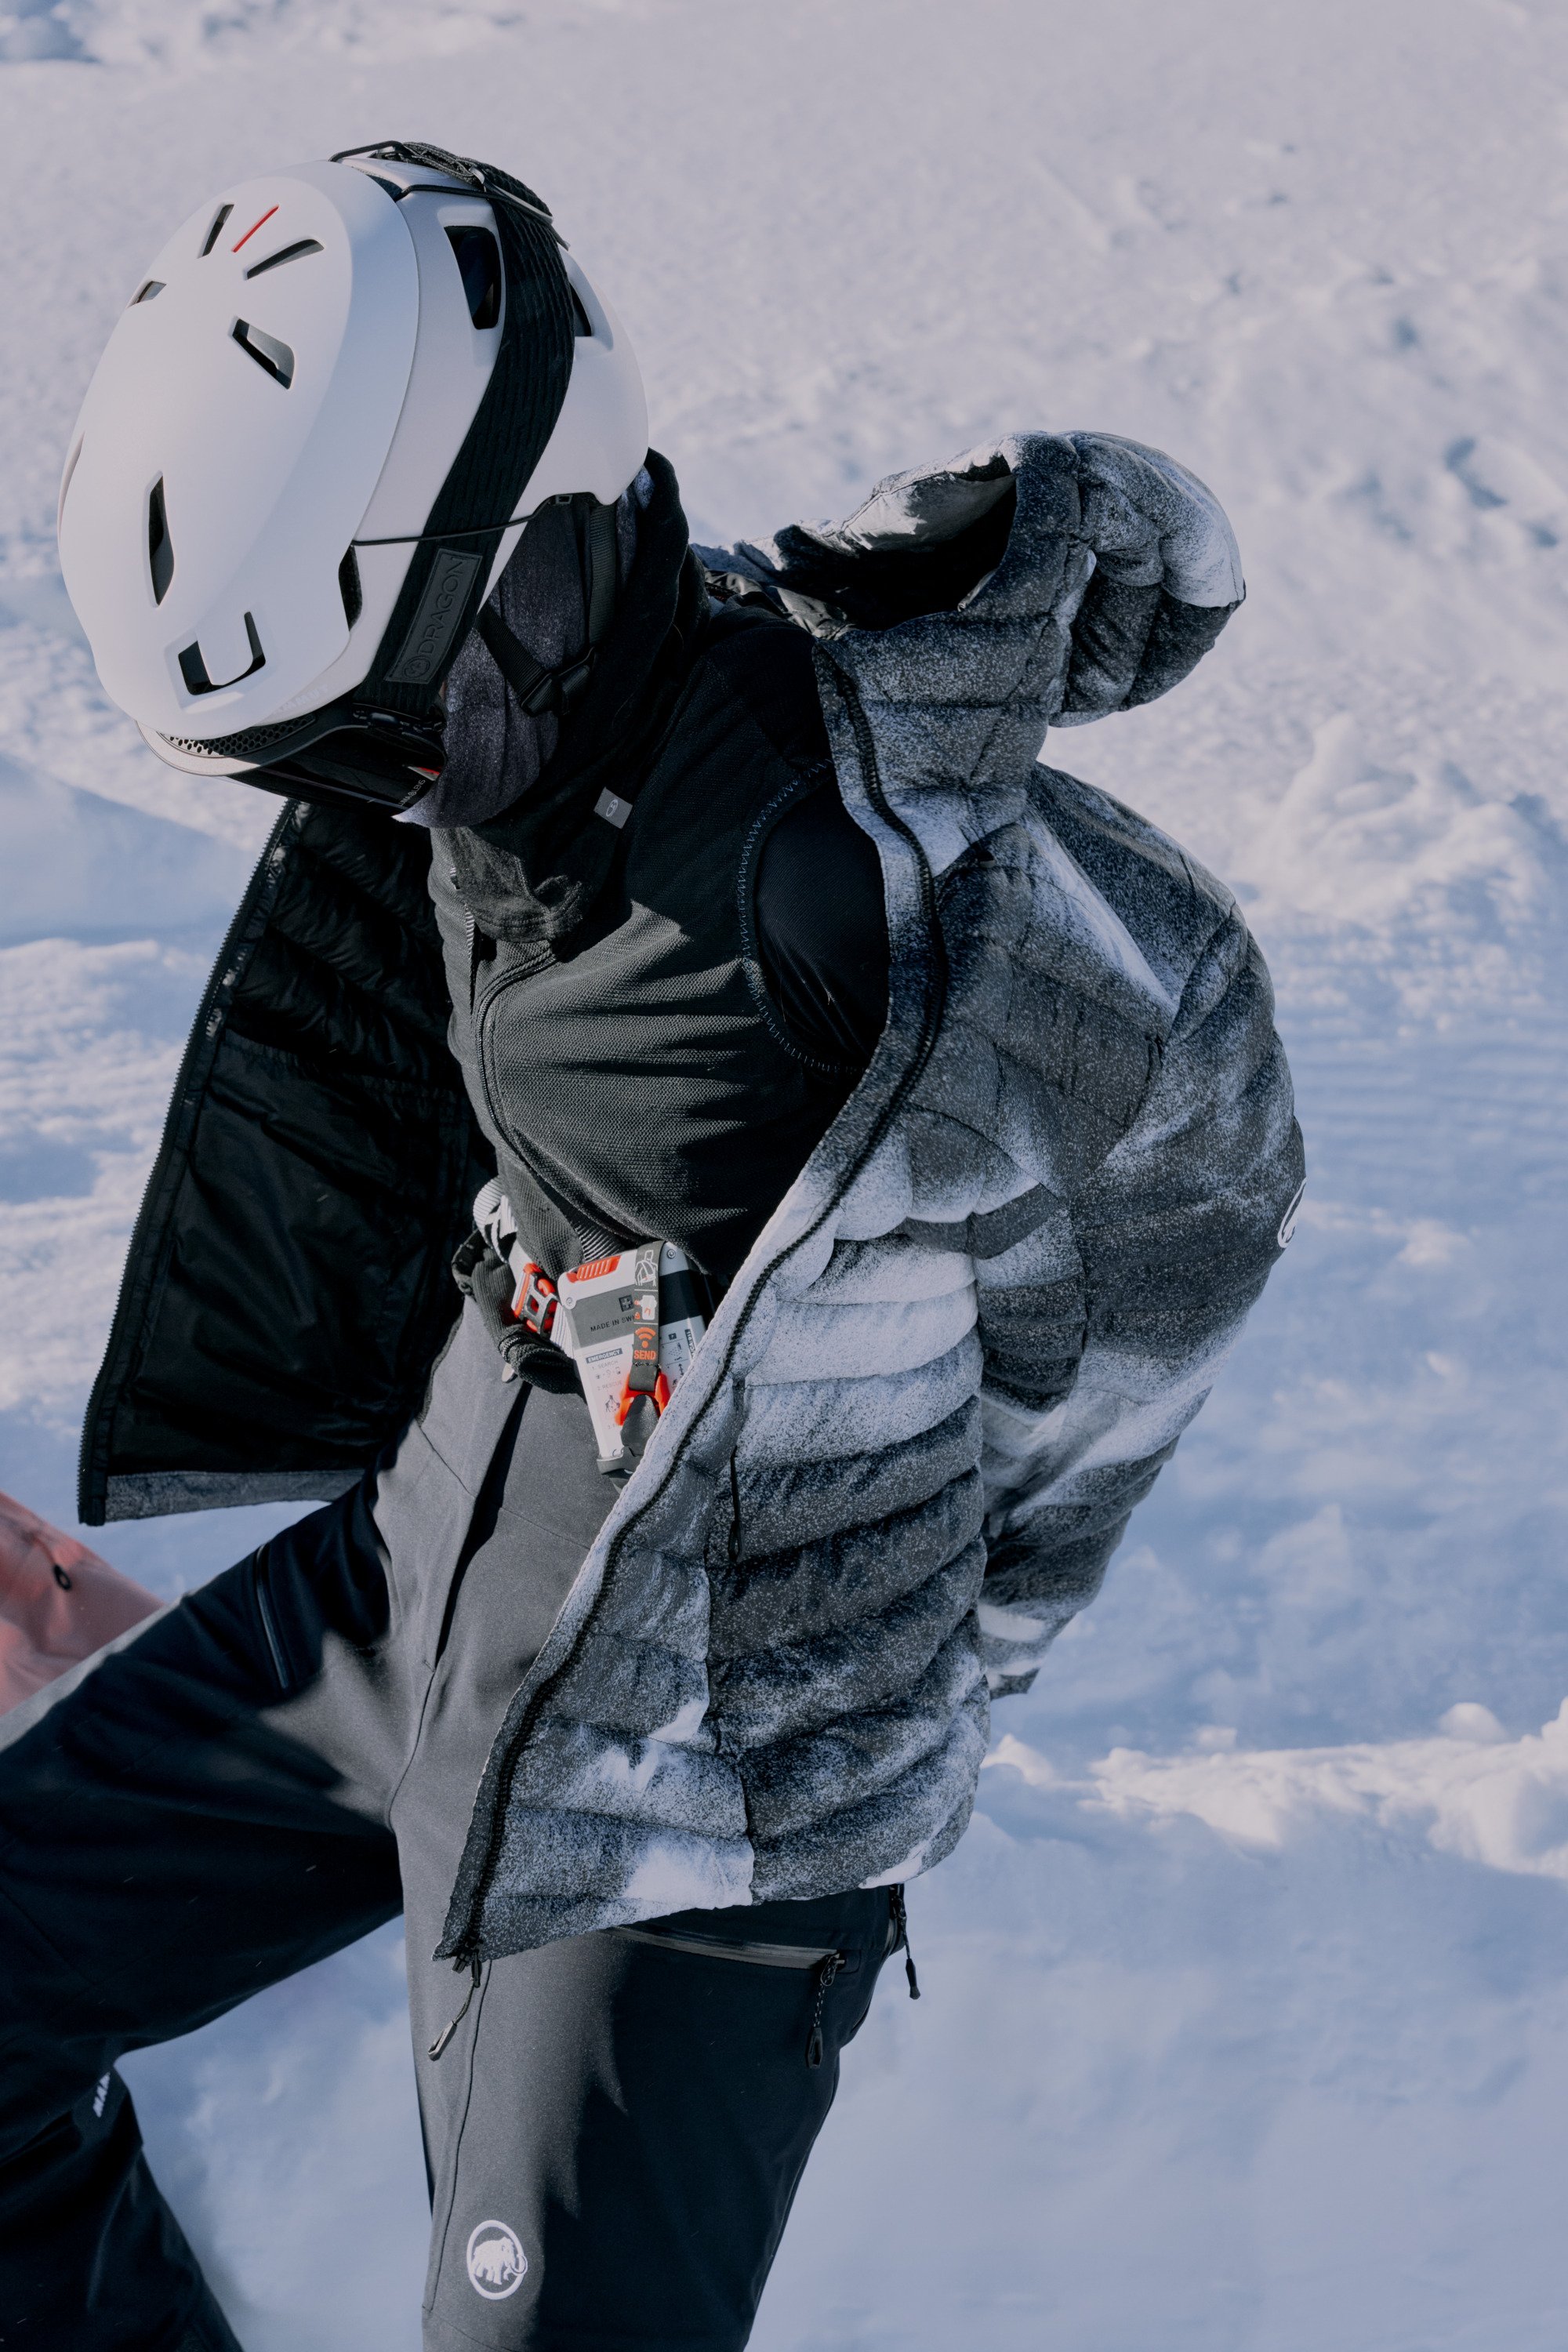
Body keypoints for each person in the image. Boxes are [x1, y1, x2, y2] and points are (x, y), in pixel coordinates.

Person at [0, 141, 1304, 2350]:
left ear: (525, 553)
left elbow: (1212, 1136)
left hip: (693, 1787)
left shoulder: (822, 878)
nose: (393, 796)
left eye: (400, 728)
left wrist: (951, 1613)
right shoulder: (521, 750)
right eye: (327, 765)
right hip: (429, 1564)